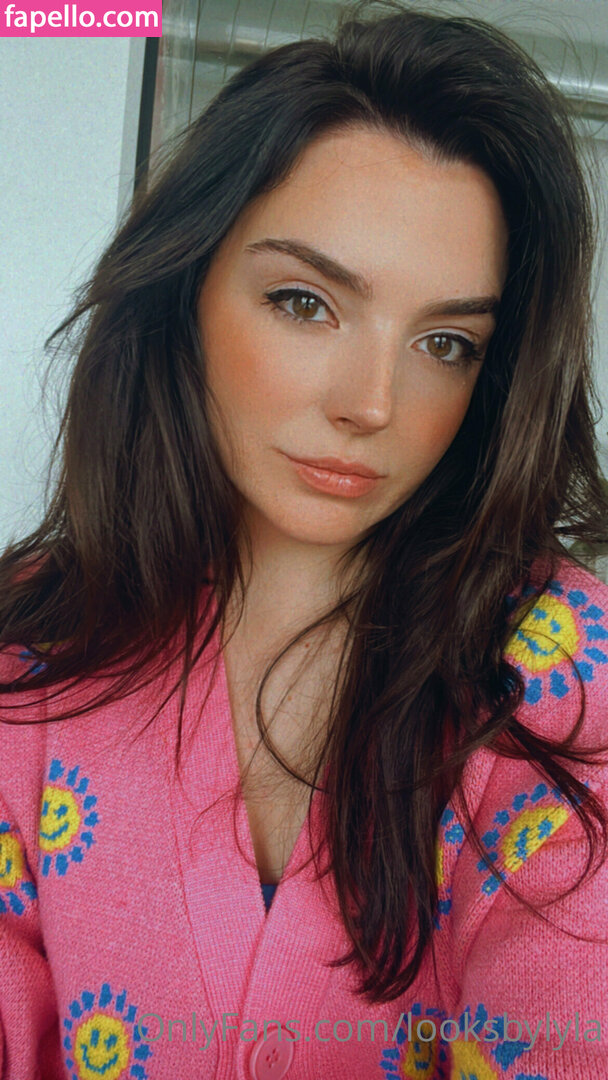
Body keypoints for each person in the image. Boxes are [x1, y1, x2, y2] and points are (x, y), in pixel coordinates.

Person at [1, 1, 608, 1077]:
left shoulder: (559, 662)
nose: (371, 403)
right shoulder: (30, 652)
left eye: (445, 343)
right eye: (304, 302)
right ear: (184, 290)